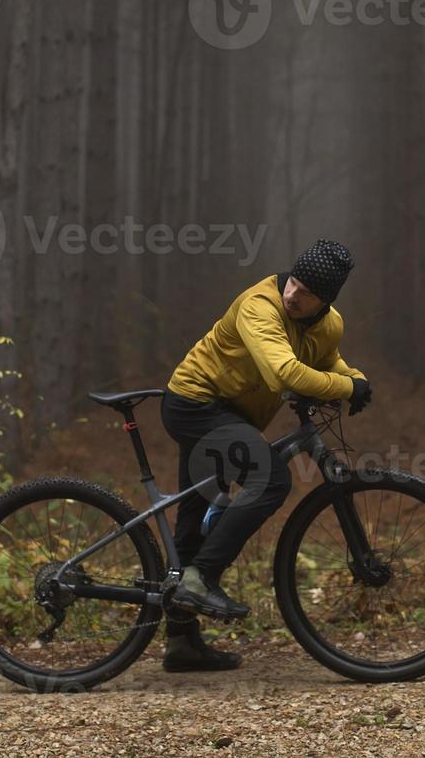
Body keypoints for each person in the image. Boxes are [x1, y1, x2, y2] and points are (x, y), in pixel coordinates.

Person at [158, 238, 372, 672]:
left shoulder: (329, 324)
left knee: (196, 518)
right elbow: (284, 373)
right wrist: (348, 389)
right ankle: (200, 580)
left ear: (325, 302)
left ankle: (181, 642)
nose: (293, 295)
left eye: (307, 293)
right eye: (293, 282)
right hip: (196, 404)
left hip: (230, 416)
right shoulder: (260, 305)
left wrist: (355, 377)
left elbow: (326, 358)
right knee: (271, 478)